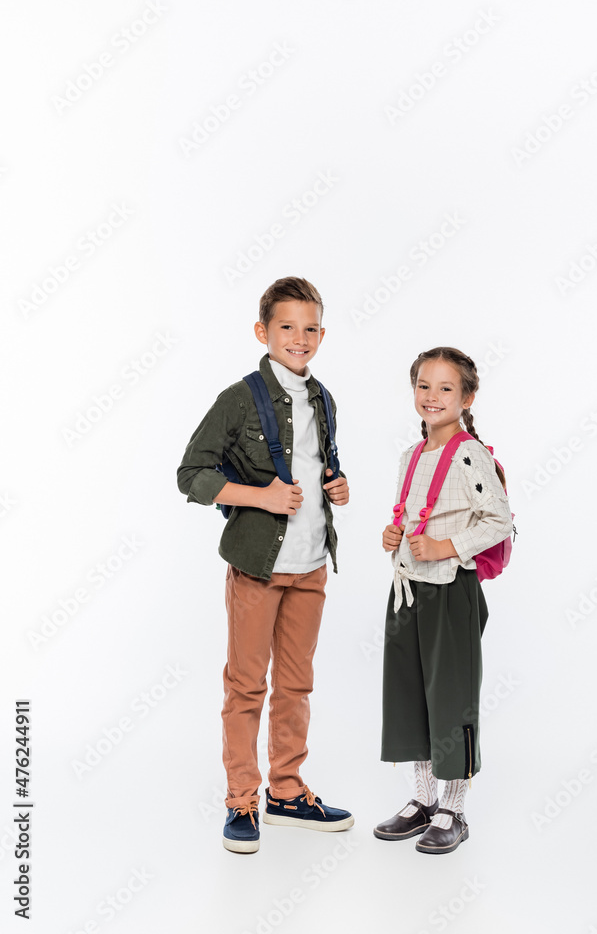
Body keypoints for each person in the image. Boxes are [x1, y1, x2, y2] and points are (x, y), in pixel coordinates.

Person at [177, 277, 354, 854]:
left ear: (321, 336)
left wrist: (338, 485)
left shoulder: (324, 398)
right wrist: (260, 497)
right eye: (286, 327)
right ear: (263, 332)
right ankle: (242, 801)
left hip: (311, 566)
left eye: (309, 329)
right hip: (258, 564)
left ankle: (286, 791)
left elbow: (318, 465)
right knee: (247, 686)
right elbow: (191, 475)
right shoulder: (239, 398)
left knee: (297, 684)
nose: (298, 338)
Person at [374, 346, 513, 854]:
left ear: (467, 397)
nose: (431, 397)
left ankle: (454, 808)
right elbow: (412, 517)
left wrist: (445, 547)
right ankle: (423, 801)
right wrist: (394, 536)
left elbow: (499, 519)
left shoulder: (470, 453)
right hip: (408, 591)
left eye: (445, 388)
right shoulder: (412, 455)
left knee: (451, 699)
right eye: (423, 386)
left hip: (451, 592)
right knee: (413, 695)